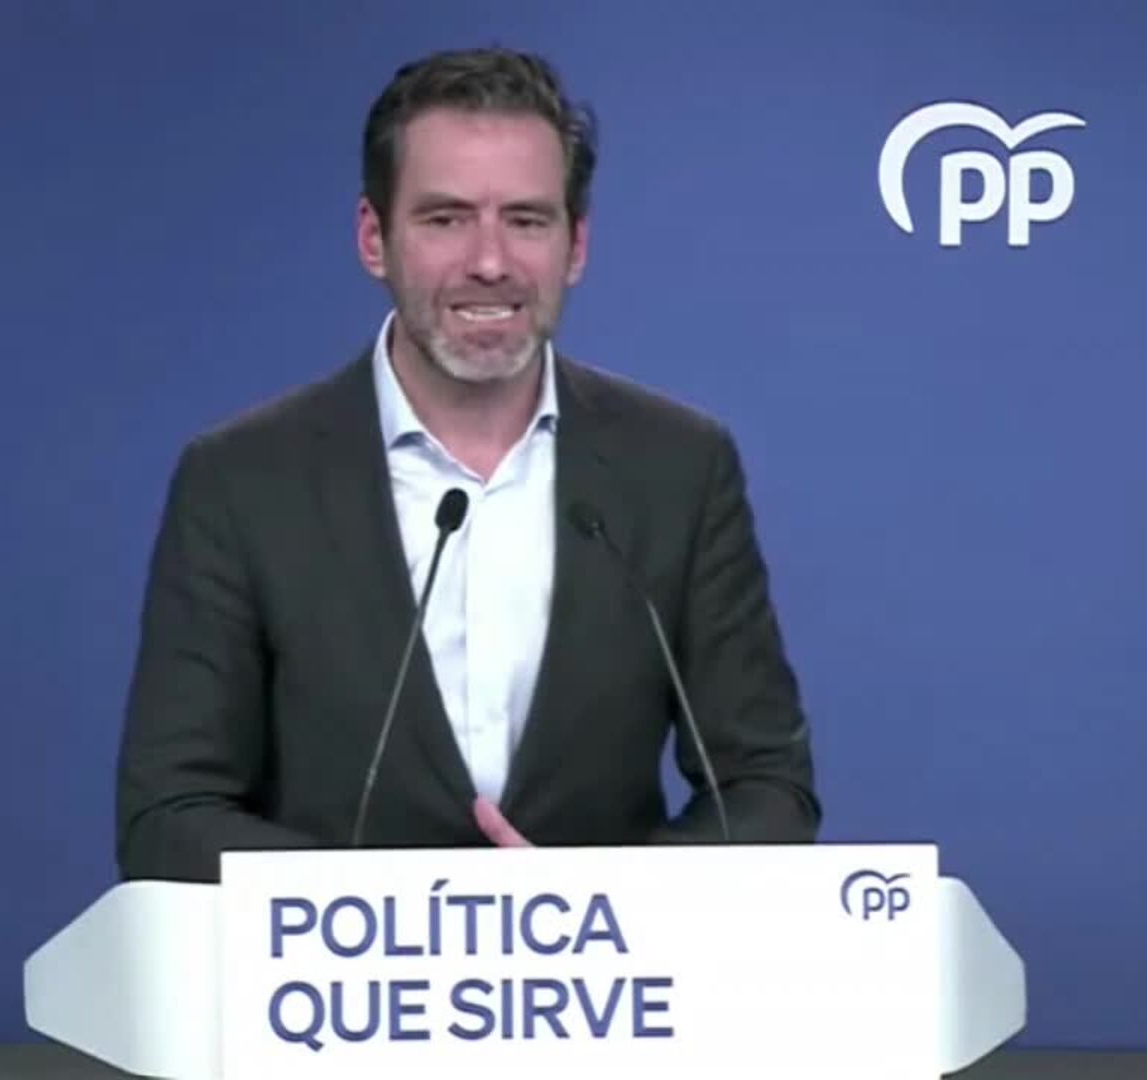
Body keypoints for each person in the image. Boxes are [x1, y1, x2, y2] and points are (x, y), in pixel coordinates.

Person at [115, 47, 818, 882]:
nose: (490, 262)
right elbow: (170, 817)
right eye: (445, 219)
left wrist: (602, 900)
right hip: (331, 964)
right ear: (374, 238)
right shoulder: (241, 481)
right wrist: (396, 913)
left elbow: (767, 790)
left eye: (526, 220)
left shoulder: (680, 468)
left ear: (576, 244)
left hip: (612, 963)